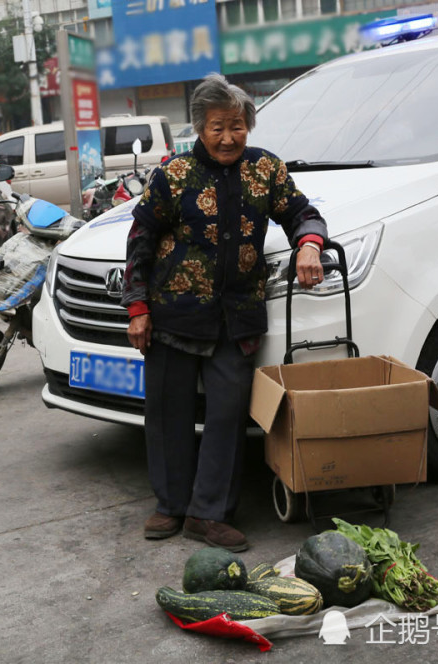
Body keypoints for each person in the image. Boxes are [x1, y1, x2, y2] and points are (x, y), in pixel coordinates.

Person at [122, 74, 329, 552]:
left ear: (248, 126)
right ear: (199, 127)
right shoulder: (171, 175)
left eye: (237, 126)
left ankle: (209, 514)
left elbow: (301, 212)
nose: (228, 138)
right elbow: (140, 241)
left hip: (237, 317)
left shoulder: (266, 171)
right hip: (173, 315)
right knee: (168, 414)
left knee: (228, 417)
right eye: (217, 127)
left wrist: (309, 245)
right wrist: (137, 307)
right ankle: (170, 505)